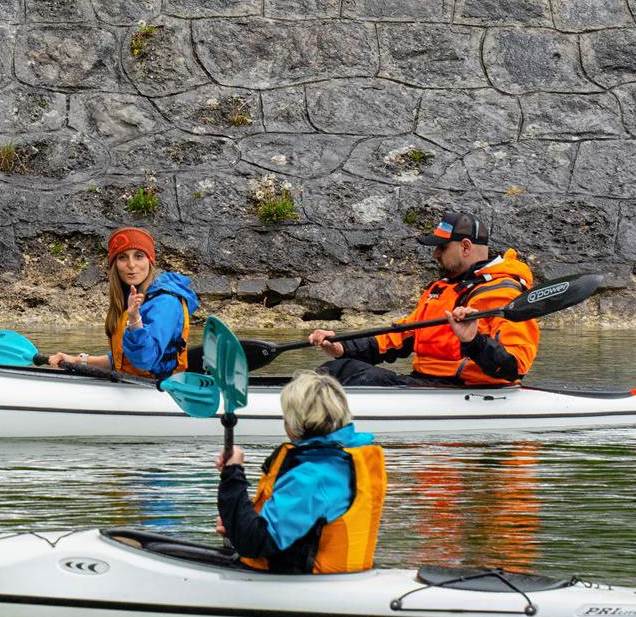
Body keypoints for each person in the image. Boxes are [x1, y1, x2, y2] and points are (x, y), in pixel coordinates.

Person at [309, 210, 539, 388]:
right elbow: (401, 336)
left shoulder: (504, 293)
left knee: (350, 374)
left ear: (466, 247)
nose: (435, 254)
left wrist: (473, 341)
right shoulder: (442, 289)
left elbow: (515, 367)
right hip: (426, 384)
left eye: (442, 247)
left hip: (464, 390)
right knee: (339, 367)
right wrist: (344, 347)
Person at [216, 372, 386, 575]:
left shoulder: (311, 477)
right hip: (330, 579)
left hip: (305, 589)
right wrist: (238, 523)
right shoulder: (338, 462)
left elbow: (254, 543)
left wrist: (233, 473)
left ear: (294, 424)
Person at [48, 226, 200, 380]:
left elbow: (146, 360)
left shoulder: (166, 302)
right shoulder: (130, 297)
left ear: (150, 261)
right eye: (122, 257)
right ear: (115, 265)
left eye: (139, 256)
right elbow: (122, 360)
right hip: (132, 384)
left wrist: (134, 320)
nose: (131, 265)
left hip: (158, 391)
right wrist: (78, 360)